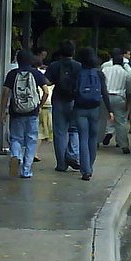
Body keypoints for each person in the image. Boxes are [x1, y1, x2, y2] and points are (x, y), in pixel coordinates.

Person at [0, 49, 51, 179]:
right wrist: (39, 105)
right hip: (32, 112)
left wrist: (3, 111)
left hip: (16, 112)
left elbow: (5, 93)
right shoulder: (36, 73)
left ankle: (16, 155)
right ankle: (26, 170)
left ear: (18, 60)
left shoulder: (12, 74)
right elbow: (46, 91)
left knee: (16, 138)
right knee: (31, 140)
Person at [74, 46, 113, 181]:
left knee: (82, 138)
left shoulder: (78, 72)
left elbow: (73, 90)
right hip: (95, 108)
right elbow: (104, 92)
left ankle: (85, 170)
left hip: (80, 108)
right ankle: (90, 166)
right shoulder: (99, 73)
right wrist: (110, 110)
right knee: (93, 138)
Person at [46, 41, 82, 172]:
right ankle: (73, 155)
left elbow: (47, 81)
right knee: (74, 130)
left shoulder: (54, 66)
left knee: (60, 133)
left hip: (59, 100)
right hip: (75, 100)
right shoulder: (79, 66)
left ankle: (61, 164)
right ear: (73, 51)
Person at [102, 48, 131, 154]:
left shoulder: (105, 70)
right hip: (119, 98)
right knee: (121, 122)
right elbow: (130, 91)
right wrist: (128, 104)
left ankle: (97, 141)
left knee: (102, 120)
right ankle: (124, 145)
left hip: (104, 97)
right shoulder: (126, 74)